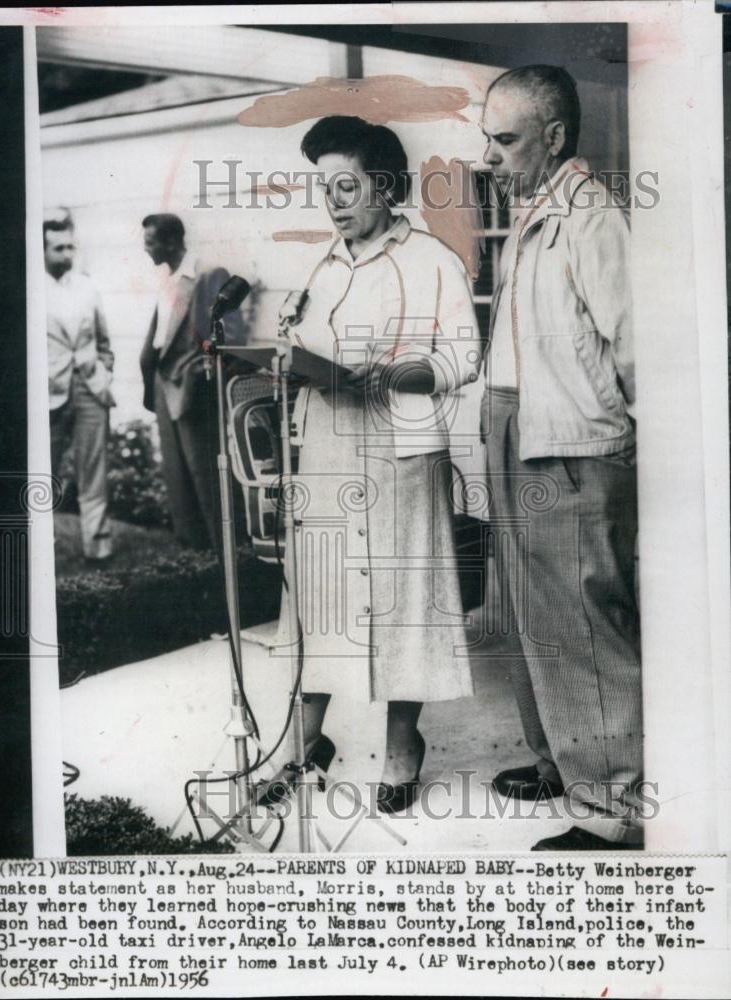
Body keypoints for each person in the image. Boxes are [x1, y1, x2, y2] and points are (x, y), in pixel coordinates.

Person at [267, 116, 480, 813]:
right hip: (327, 446)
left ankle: (400, 748)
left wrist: (395, 375)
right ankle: (303, 746)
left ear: (385, 186)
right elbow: (304, 348)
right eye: (324, 187)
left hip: (401, 450)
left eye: (347, 186)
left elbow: (462, 355)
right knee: (321, 592)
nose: (333, 200)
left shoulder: (431, 259)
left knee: (402, 600)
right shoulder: (324, 264)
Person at [480, 65, 642, 850]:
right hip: (515, 426)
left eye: (504, 139)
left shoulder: (591, 215)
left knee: (578, 623)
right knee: (524, 612)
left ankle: (610, 811)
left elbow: (635, 344)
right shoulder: (530, 207)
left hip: (568, 438)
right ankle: (557, 759)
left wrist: (632, 444)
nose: (489, 154)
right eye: (486, 138)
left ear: (552, 138)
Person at [139, 213, 246, 551]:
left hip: (192, 391)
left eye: (150, 242)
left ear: (171, 241)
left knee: (207, 481)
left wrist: (196, 375)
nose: (145, 249)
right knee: (179, 483)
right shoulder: (167, 279)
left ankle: (229, 558)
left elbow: (229, 338)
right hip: (162, 388)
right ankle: (195, 563)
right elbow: (160, 338)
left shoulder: (207, 276)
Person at [45, 208, 114, 561]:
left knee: (93, 470)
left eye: (70, 248)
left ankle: (98, 547)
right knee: (44, 472)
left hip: (90, 388)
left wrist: (105, 373)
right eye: (58, 249)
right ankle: (41, 548)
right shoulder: (29, 287)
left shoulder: (87, 286)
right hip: (47, 394)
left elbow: (104, 341)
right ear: (42, 250)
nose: (67, 255)